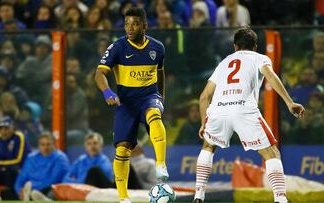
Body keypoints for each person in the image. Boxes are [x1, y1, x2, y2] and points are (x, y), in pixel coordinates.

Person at [192, 27, 305, 203]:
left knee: (208, 147)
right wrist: (289, 102)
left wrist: (202, 124)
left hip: (218, 110)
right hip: (243, 110)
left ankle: (198, 195)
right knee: (272, 154)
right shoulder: (260, 58)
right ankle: (281, 199)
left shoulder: (224, 62)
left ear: (235, 46)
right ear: (255, 46)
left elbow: (204, 96)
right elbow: (271, 76)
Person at [94, 7, 168, 203]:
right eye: (127, 24)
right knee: (122, 150)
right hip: (126, 103)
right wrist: (107, 92)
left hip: (148, 97)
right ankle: (124, 198)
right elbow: (99, 73)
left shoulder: (157, 47)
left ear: (144, 25)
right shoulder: (118, 47)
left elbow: (160, 73)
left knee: (154, 115)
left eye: (135, 24)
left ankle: (161, 165)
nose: (130, 28)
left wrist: (161, 96)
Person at [0, 133, 69, 200]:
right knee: (5, 193)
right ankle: (28, 197)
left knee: (50, 191)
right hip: (29, 189)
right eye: (42, 144)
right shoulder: (31, 157)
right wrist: (19, 191)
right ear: (38, 145)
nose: (45, 147)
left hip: (47, 189)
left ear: (54, 145)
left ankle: (32, 197)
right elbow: (21, 178)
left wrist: (32, 189)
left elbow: (54, 180)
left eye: (48, 144)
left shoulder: (60, 158)